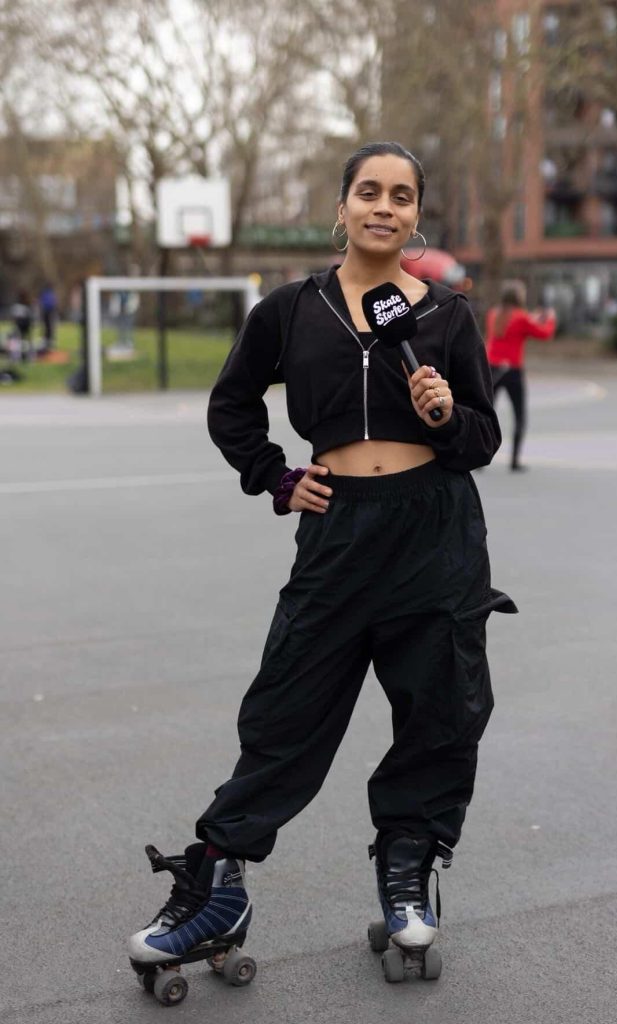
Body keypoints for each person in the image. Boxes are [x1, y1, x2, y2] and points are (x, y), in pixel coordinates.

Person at [128, 142, 516, 978]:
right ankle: (217, 884)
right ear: (341, 209)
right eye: (369, 192)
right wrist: (274, 475)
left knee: (440, 707)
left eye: (403, 195)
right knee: (285, 709)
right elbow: (233, 406)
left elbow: (483, 441)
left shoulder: (445, 318)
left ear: (417, 216)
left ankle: (408, 873)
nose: (385, 206)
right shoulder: (289, 311)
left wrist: (447, 416)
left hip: (434, 534)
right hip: (337, 531)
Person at [485, 281, 556, 472]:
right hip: (513, 371)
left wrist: (533, 317)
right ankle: (514, 460)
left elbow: (517, 322)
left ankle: (480, 458)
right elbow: (544, 333)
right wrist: (550, 318)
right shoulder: (521, 318)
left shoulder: (494, 314)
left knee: (487, 413)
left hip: (492, 369)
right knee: (519, 416)